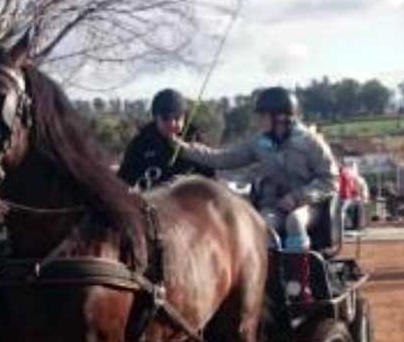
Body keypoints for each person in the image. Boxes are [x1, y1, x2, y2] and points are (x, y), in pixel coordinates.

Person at [174, 86, 340, 303]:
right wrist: (185, 149)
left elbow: (331, 180)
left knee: (294, 220)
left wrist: (298, 197)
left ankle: (299, 288)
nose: (259, 121)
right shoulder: (259, 143)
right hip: (275, 206)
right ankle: (270, 287)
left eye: (263, 116)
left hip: (310, 206)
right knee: (262, 226)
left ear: (280, 116)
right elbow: (224, 158)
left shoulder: (311, 142)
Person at [117, 88, 215, 190]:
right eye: (165, 118)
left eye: (177, 118)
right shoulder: (140, 143)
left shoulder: (195, 140)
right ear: (156, 118)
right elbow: (123, 182)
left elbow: (210, 180)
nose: (172, 123)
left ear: (184, 117)